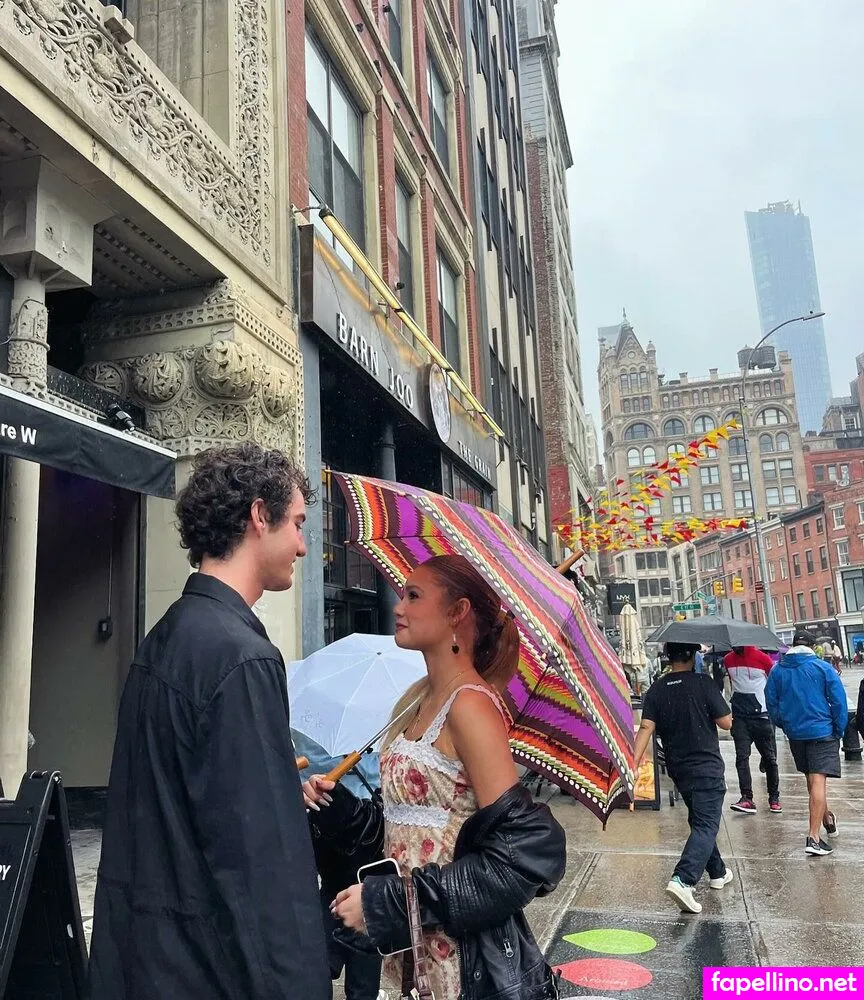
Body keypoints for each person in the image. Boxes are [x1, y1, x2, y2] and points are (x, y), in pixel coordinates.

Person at [88, 444, 332, 999]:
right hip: (213, 970)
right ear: (258, 515)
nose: (302, 545)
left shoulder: (164, 638)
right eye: (297, 523)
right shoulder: (242, 657)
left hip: (153, 960)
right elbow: (264, 863)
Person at [306, 554, 566, 1000]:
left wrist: (390, 903)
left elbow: (523, 855)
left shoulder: (471, 707)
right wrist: (341, 811)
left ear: (457, 613)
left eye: (413, 596)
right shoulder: (415, 700)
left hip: (458, 960)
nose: (398, 607)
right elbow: (406, 829)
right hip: (412, 948)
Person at [634, 642, 733, 915]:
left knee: (699, 820)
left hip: (679, 769)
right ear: (691, 655)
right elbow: (726, 723)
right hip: (706, 767)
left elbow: (646, 728)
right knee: (706, 824)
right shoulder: (703, 683)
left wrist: (633, 763)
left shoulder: (656, 689)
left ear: (669, 657)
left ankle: (718, 871)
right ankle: (683, 879)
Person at [295, 732, 383, 1000]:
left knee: (335, 892)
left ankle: (328, 963)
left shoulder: (303, 716)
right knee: (363, 901)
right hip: (351, 815)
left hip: (323, 811)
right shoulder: (377, 720)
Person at [765, 629, 847, 857]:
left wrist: (784, 723)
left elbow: (771, 702)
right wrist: (838, 729)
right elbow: (839, 701)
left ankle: (827, 819)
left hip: (796, 733)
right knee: (818, 780)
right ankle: (813, 838)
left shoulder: (778, 670)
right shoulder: (823, 668)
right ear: (812, 647)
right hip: (822, 731)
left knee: (812, 780)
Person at [723, 645, 781, 814]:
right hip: (740, 716)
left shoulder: (763, 658)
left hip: (761, 715)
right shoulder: (728, 659)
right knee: (742, 757)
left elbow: (773, 683)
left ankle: (774, 797)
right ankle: (746, 797)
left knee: (769, 759)